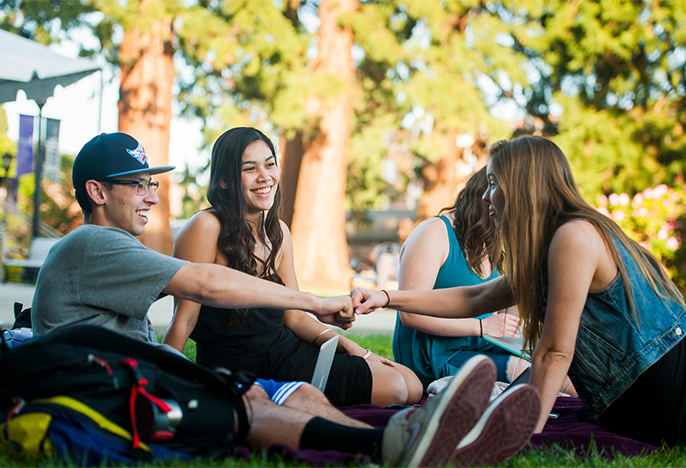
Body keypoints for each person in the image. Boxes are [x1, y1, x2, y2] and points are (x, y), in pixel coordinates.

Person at [31, 132, 542, 466]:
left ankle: (417, 435)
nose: (153, 195)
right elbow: (206, 286)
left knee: (294, 396)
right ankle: (394, 442)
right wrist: (315, 302)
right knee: (249, 405)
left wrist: (345, 340)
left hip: (137, 378)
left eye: (152, 183)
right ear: (97, 192)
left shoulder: (112, 247)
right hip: (108, 393)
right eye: (138, 185)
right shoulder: (91, 243)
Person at [352, 135, 686, 446]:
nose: (485, 196)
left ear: (523, 188)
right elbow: (476, 297)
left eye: (494, 184)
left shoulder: (574, 237)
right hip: (634, 403)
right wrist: (386, 297)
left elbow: (555, 353)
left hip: (666, 399)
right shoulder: (554, 246)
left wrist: (520, 439)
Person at [163, 127, 422, 407]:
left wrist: (352, 347)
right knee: (396, 389)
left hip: (287, 351)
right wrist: (159, 386)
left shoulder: (278, 232)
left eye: (270, 164)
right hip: (244, 366)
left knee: (412, 384)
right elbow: (184, 319)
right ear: (224, 180)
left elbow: (294, 318)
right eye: (250, 168)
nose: (265, 176)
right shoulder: (205, 227)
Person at [393, 167, 524, 388]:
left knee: (552, 362)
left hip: (481, 348)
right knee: (526, 370)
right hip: (436, 357)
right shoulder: (433, 233)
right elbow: (409, 314)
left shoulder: (494, 242)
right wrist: (481, 327)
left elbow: (505, 321)